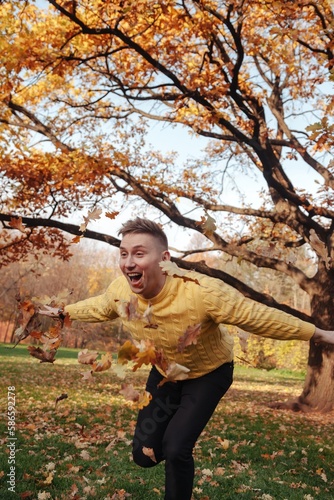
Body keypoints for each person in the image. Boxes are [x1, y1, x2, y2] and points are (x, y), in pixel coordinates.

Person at [64, 217, 334, 500]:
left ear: (164, 259)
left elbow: (258, 316)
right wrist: (62, 312)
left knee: (176, 447)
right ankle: (168, 435)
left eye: (139, 253)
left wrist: (321, 335)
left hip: (209, 373)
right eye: (124, 254)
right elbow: (100, 306)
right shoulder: (121, 291)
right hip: (166, 372)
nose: (128, 262)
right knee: (144, 455)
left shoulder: (201, 291)